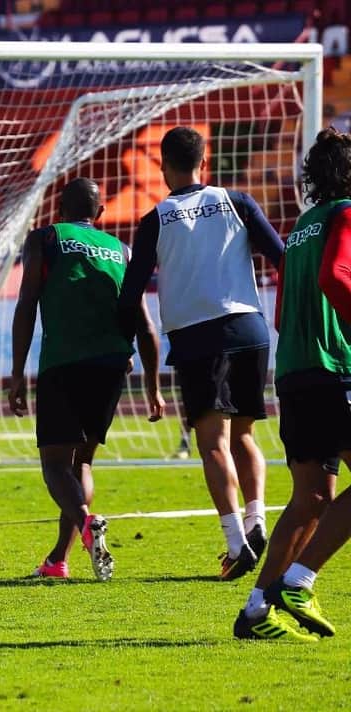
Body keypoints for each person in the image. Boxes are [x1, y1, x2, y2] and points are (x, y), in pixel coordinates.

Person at [118, 126, 284, 581]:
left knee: (212, 443)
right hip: (249, 328)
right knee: (245, 435)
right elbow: (282, 256)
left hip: (197, 337)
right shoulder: (238, 201)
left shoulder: (156, 218)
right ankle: (256, 520)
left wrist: (123, 344)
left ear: (163, 167)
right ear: (204, 163)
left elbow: (131, 294)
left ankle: (235, 543)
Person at [9, 178, 165, 581]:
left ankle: (86, 523)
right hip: (112, 365)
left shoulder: (46, 238)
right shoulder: (121, 250)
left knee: (55, 466)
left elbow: (26, 304)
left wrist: (17, 373)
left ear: (59, 211)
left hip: (64, 362)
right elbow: (145, 324)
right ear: (100, 213)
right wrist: (153, 386)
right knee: (83, 461)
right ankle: (58, 560)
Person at [234, 128, 351, 641]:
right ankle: (299, 580)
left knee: (311, 498)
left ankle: (256, 609)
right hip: (332, 369)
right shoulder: (346, 214)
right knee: (313, 498)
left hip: (295, 372)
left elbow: (281, 312)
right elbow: (335, 277)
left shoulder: (302, 226)